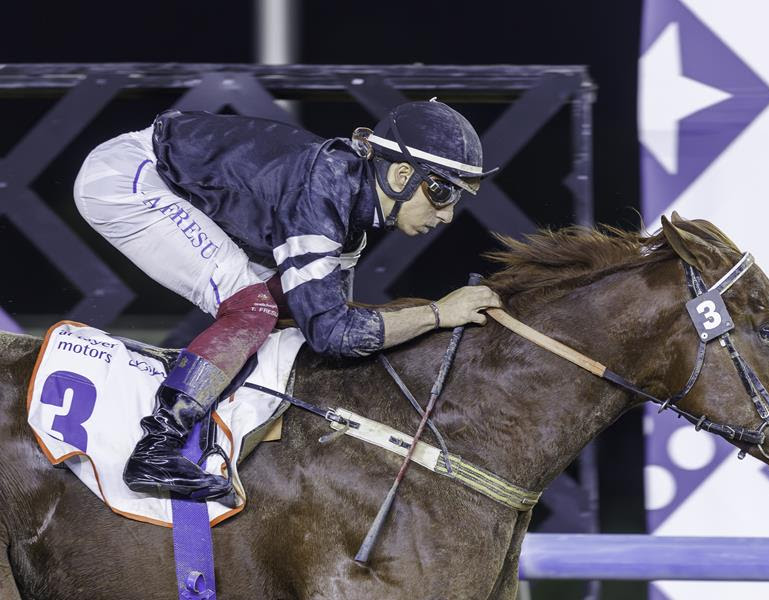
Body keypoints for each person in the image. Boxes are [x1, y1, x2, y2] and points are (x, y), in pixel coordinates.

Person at [73, 99, 502, 503]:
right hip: (128, 177)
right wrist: (437, 314)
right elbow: (333, 335)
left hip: (177, 183)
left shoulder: (350, 213)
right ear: (401, 176)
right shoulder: (325, 191)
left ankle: (218, 423)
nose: (447, 214)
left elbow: (334, 328)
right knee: (253, 309)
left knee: (282, 316)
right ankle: (157, 446)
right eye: (442, 192)